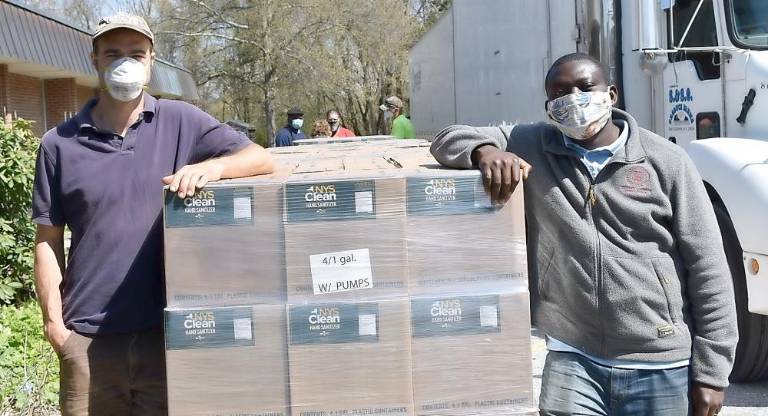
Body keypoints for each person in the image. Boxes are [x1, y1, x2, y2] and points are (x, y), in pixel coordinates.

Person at [430, 53, 738, 416]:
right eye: (560, 93)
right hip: (573, 359)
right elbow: (446, 139)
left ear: (612, 94)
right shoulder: (532, 144)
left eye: (585, 87)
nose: (573, 99)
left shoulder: (665, 161)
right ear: (549, 107)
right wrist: (485, 151)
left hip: (659, 361)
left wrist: (712, 374)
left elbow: (709, 267)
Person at [32, 13, 274, 416]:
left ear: (151, 61)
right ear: (94, 59)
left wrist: (213, 167)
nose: (124, 63)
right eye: (112, 53)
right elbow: (47, 240)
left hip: (167, 336)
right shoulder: (59, 144)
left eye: (135, 53)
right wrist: (56, 327)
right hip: (90, 339)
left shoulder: (183, 122)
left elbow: (259, 158)